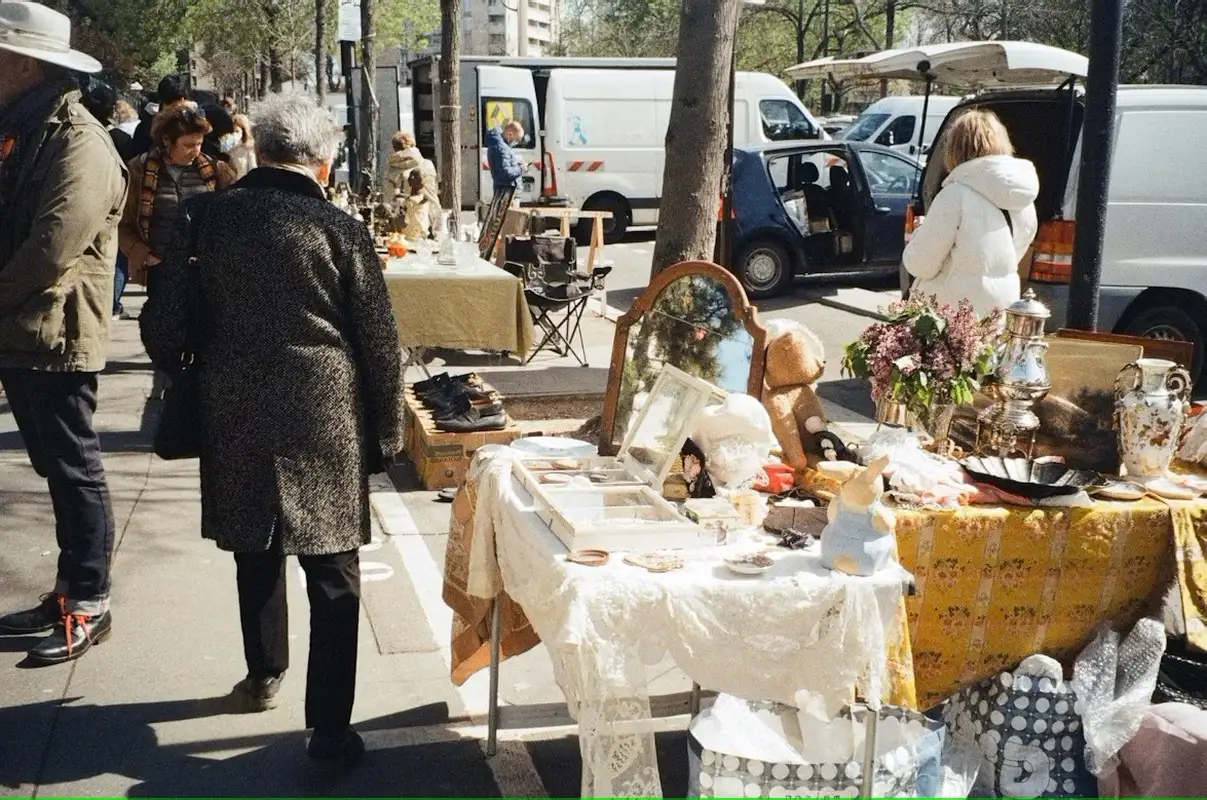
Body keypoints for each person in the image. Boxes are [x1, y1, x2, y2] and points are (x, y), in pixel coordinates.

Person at [140, 93, 405, 772]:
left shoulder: (206, 217)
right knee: (333, 569)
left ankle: (263, 675)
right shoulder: (338, 229)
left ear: (258, 147)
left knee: (254, 545)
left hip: (234, 402)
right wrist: (388, 431)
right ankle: (328, 733)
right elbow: (378, 342)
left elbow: (165, 329)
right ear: (324, 159)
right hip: (324, 408)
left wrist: (207, 361)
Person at [0, 1, 129, 665]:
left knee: (73, 469)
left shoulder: (76, 136)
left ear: (23, 62)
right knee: (58, 469)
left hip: (54, 332)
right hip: (27, 329)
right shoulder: (30, 126)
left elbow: (53, 246)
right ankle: (67, 592)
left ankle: (88, 600)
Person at [902, 109, 1039, 317]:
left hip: (951, 311)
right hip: (1000, 308)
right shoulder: (1024, 201)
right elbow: (1007, 258)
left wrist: (920, 231)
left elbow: (921, 265)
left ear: (955, 149)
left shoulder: (954, 195)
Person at [119, 103, 237, 299]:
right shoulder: (139, 170)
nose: (196, 151)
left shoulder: (218, 171)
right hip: (159, 269)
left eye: (199, 143)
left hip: (205, 272)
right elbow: (121, 223)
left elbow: (235, 216)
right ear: (167, 141)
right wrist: (144, 254)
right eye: (188, 145)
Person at [80, 81, 139, 320]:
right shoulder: (118, 138)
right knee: (116, 257)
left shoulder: (79, 136)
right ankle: (112, 303)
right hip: (114, 205)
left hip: (87, 205)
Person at [131, 73, 189, 157]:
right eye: (170, 103)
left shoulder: (192, 123)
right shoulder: (146, 127)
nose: (174, 108)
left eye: (178, 102)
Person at [485, 119, 525, 193]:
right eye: (517, 139)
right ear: (510, 134)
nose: (517, 142)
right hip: (507, 192)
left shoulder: (502, 146)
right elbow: (504, 173)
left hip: (507, 190)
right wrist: (520, 169)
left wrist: (516, 165)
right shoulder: (501, 148)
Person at [401, 169, 436, 240]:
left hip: (420, 231)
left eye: (415, 176)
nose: (411, 178)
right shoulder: (410, 197)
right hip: (410, 230)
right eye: (410, 175)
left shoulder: (423, 197)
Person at [227, 113, 257, 178]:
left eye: (237, 131)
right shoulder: (226, 148)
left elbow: (253, 169)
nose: (234, 134)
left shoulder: (249, 148)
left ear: (244, 131)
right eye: (232, 131)